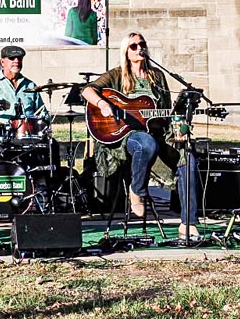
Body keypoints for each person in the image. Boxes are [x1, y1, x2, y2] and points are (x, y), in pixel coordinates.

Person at [81, 32, 200, 239]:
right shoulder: (117, 75)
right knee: (145, 143)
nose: (139, 49)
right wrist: (103, 104)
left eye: (141, 44)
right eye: (133, 46)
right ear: (126, 52)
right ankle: (137, 190)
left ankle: (188, 223)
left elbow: (165, 113)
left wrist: (177, 126)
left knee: (187, 160)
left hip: (155, 136)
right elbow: (87, 90)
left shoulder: (157, 76)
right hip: (126, 138)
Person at [0, 45, 49, 125]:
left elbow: (41, 112)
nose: (16, 61)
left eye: (19, 58)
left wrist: (44, 121)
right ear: (2, 62)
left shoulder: (30, 85)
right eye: (12, 58)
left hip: (28, 133)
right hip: (2, 134)